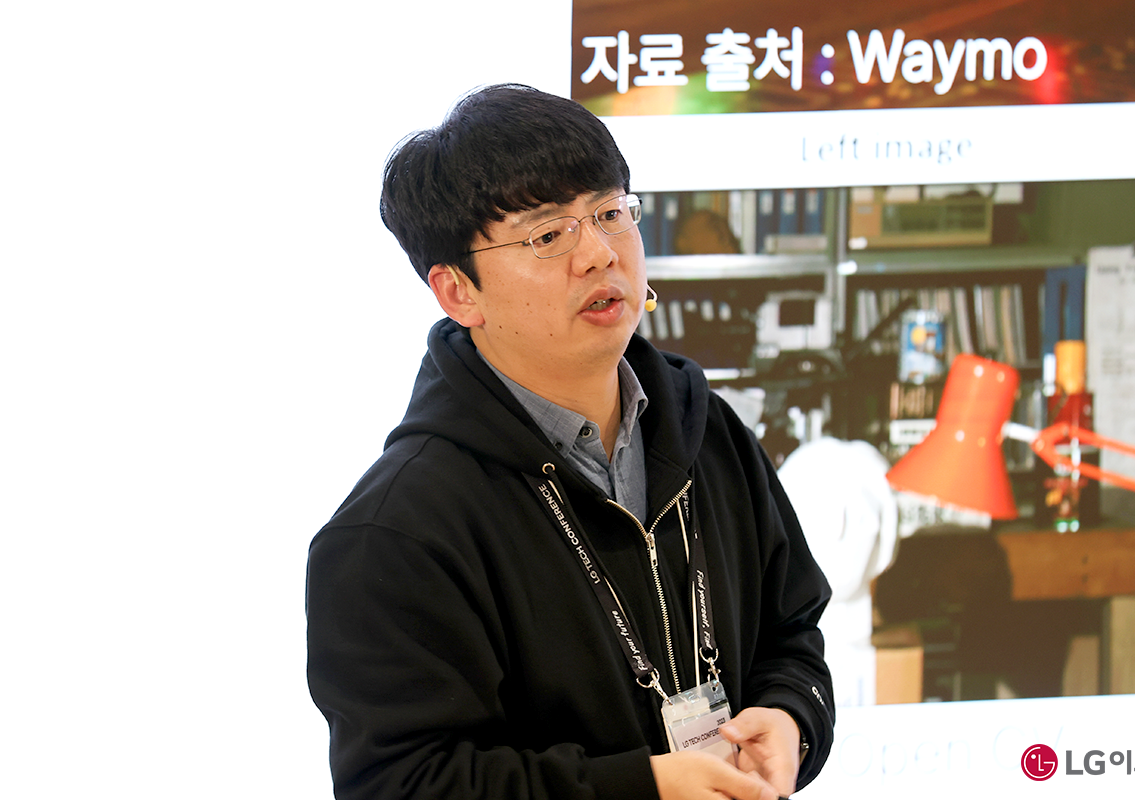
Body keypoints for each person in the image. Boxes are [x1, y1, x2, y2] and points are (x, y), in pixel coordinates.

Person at [306, 83, 834, 800]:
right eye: (547, 235)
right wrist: (642, 790)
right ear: (459, 292)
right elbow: (402, 783)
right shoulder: (396, 528)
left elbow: (792, 631)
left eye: (610, 213)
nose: (599, 254)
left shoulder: (709, 431)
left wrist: (792, 716)